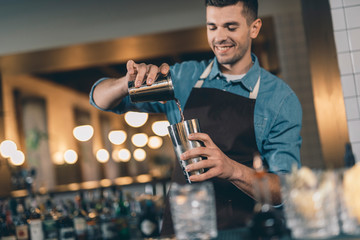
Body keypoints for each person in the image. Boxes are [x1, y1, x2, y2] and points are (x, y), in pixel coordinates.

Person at [89, 0, 302, 235]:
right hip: (182, 230)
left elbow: (286, 191)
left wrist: (232, 169)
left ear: (254, 27)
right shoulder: (184, 77)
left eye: (230, 27)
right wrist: (128, 81)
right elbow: (101, 99)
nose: (219, 37)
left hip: (244, 232)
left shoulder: (279, 98)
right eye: (212, 27)